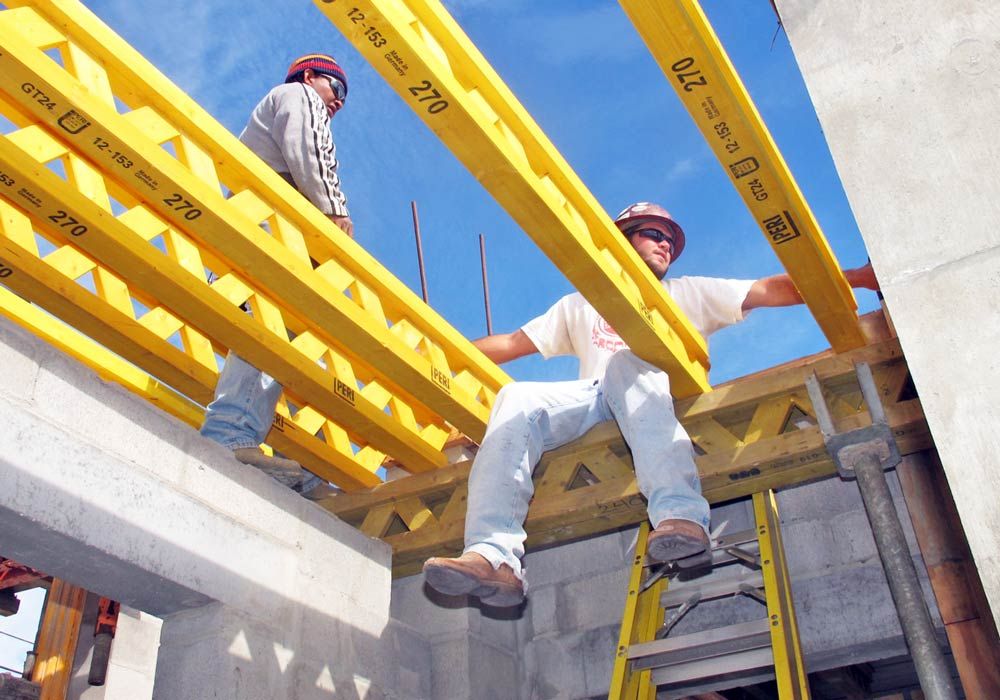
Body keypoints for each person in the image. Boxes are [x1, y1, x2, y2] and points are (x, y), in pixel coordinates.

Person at [422, 202, 878, 606]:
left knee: (626, 363)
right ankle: (493, 556)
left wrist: (856, 277)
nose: (665, 246)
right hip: (594, 398)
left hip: (652, 390)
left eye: (669, 240)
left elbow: (769, 290)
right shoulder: (581, 303)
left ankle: (680, 517)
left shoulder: (686, 293)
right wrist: (432, 350)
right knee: (515, 395)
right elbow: (512, 342)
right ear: (623, 241)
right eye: (653, 235)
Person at [200, 54, 353, 497]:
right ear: (310, 77)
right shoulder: (299, 96)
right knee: (271, 331)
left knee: (280, 341)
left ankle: (304, 467)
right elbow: (312, 148)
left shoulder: (286, 104)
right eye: (336, 89)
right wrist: (335, 211)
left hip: (262, 230)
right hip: (272, 229)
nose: (338, 102)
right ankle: (230, 435)